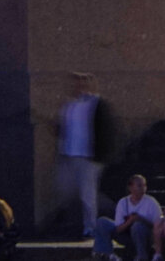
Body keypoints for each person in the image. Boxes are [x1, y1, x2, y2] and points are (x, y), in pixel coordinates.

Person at [58, 73, 115, 237]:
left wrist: (101, 155)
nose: (80, 85)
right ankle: (75, 222)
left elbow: (106, 130)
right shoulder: (69, 105)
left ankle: (90, 226)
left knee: (87, 194)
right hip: (70, 155)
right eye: (77, 82)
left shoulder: (97, 104)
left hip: (89, 157)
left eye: (84, 81)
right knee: (67, 191)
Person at [95, 176, 164, 261]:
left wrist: (141, 219)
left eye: (144, 185)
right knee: (102, 222)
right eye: (139, 185)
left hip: (145, 236)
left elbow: (158, 226)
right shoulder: (123, 202)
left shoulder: (151, 202)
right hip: (126, 235)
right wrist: (130, 221)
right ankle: (105, 254)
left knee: (138, 226)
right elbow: (118, 229)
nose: (143, 188)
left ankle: (141, 256)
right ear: (130, 187)